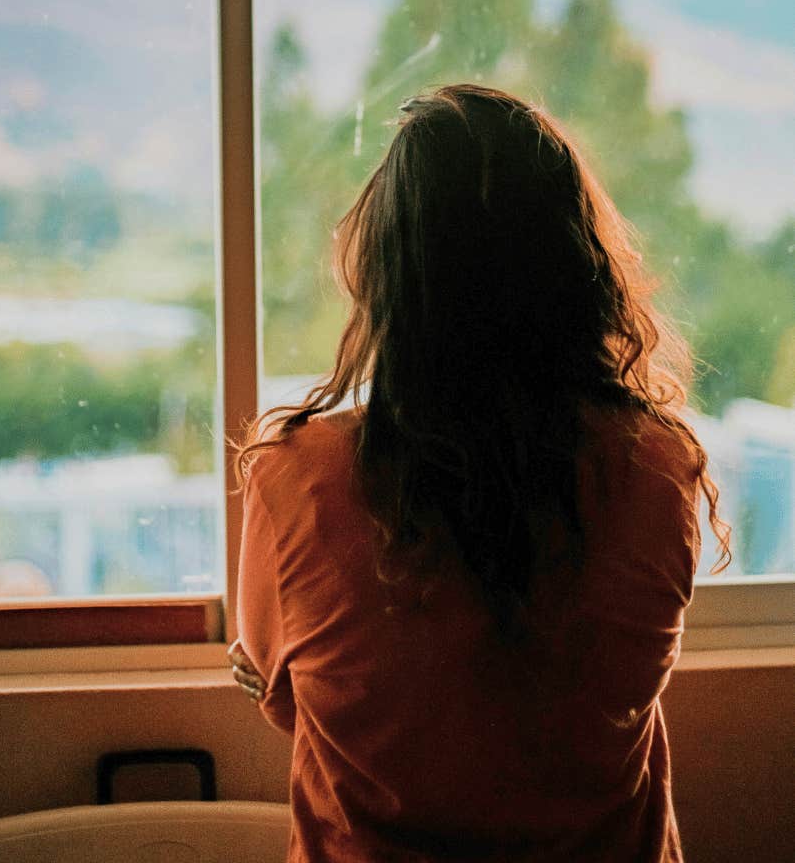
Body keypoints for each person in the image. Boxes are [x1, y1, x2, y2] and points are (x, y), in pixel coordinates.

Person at [230, 84, 730, 863]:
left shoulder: (297, 479)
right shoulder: (659, 469)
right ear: (575, 265)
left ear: (392, 274)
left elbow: (285, 697)